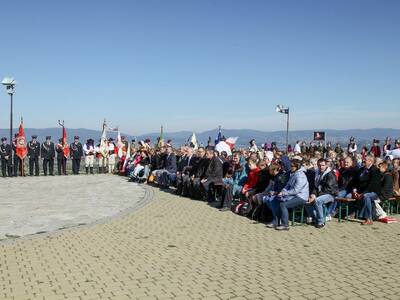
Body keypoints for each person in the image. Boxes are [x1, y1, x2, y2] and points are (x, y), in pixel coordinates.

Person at [270, 159, 309, 231]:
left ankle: (285, 225)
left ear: (297, 167)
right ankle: (276, 221)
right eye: (290, 166)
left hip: (301, 197)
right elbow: (288, 185)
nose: (290, 167)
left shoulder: (300, 175)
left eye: (292, 166)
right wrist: (282, 192)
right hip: (293, 195)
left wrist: (284, 193)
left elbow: (296, 190)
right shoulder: (293, 173)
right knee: (276, 200)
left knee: (283, 204)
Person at [306, 158, 339, 228]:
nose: (321, 167)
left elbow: (328, 189)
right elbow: (316, 186)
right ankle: (315, 218)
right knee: (306, 200)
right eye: (319, 165)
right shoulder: (317, 173)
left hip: (331, 194)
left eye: (323, 165)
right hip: (321, 193)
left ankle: (321, 222)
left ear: (326, 165)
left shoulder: (330, 174)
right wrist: (313, 194)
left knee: (318, 201)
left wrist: (316, 196)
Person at [356, 155, 381, 225]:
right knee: (366, 197)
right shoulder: (363, 170)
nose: (363, 161)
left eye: (365, 160)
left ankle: (368, 218)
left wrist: (363, 193)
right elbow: (357, 181)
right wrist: (356, 191)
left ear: (370, 161)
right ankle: (369, 218)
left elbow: (372, 185)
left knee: (366, 196)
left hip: (375, 192)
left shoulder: (375, 170)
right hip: (365, 191)